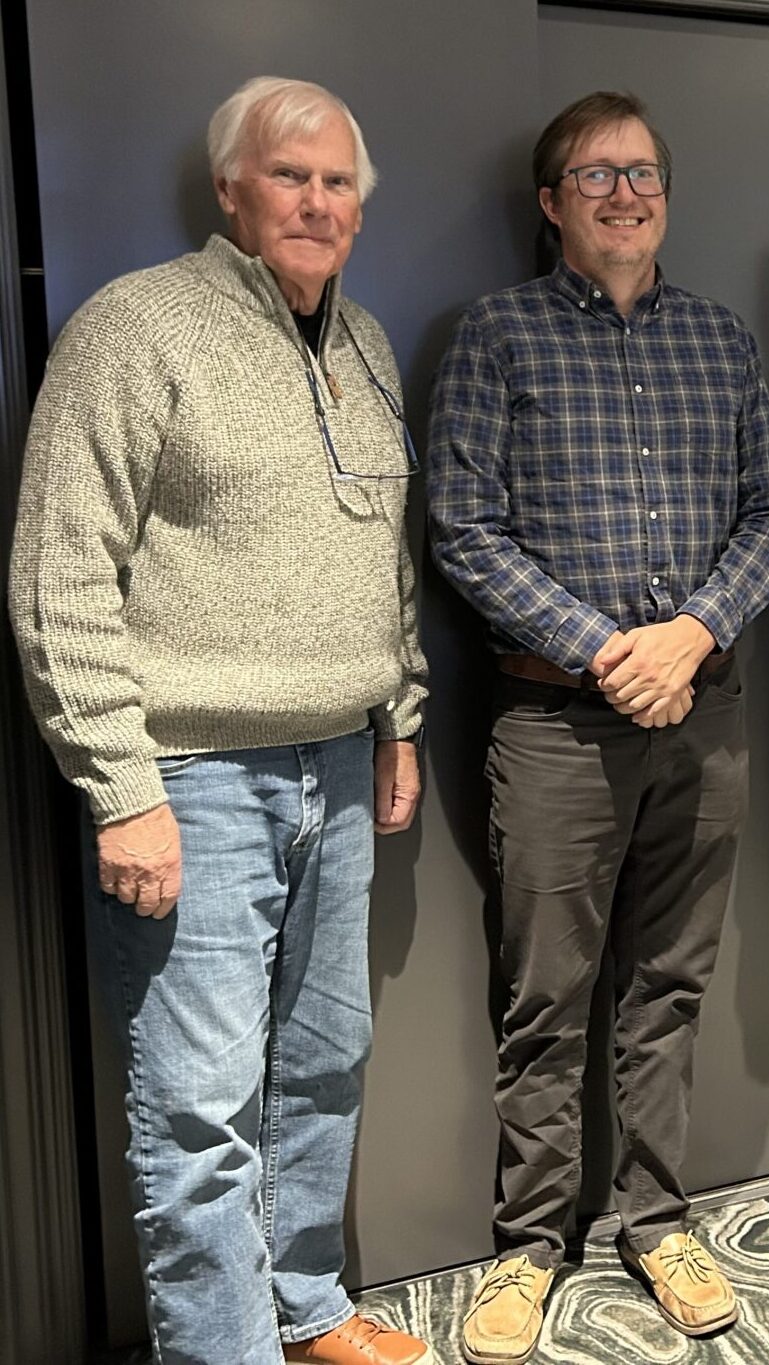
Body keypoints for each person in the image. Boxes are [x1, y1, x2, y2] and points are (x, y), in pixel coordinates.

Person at [8, 77, 432, 1365]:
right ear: (231, 189)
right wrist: (120, 787)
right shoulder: (136, 329)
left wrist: (399, 712)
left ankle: (306, 1311)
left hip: (341, 770)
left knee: (324, 1067)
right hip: (191, 778)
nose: (317, 200)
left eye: (339, 181)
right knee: (197, 1113)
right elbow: (57, 569)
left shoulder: (363, 346)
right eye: (290, 175)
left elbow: (388, 557)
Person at [427, 91, 769, 1363]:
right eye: (594, 175)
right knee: (545, 994)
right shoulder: (495, 336)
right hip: (552, 728)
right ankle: (529, 1245)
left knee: (669, 985)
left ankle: (655, 1219)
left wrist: (690, 635)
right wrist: (604, 651)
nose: (624, 194)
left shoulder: (719, 340)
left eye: (642, 173)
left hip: (707, 710)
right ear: (550, 203)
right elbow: (463, 528)